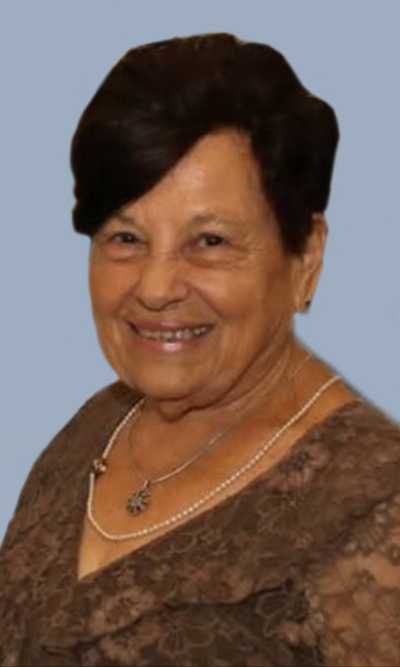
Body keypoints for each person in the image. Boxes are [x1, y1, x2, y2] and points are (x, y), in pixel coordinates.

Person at [1, 32, 399, 667]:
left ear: (305, 255)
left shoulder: (376, 511)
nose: (155, 288)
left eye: (210, 241)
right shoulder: (92, 431)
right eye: (125, 238)